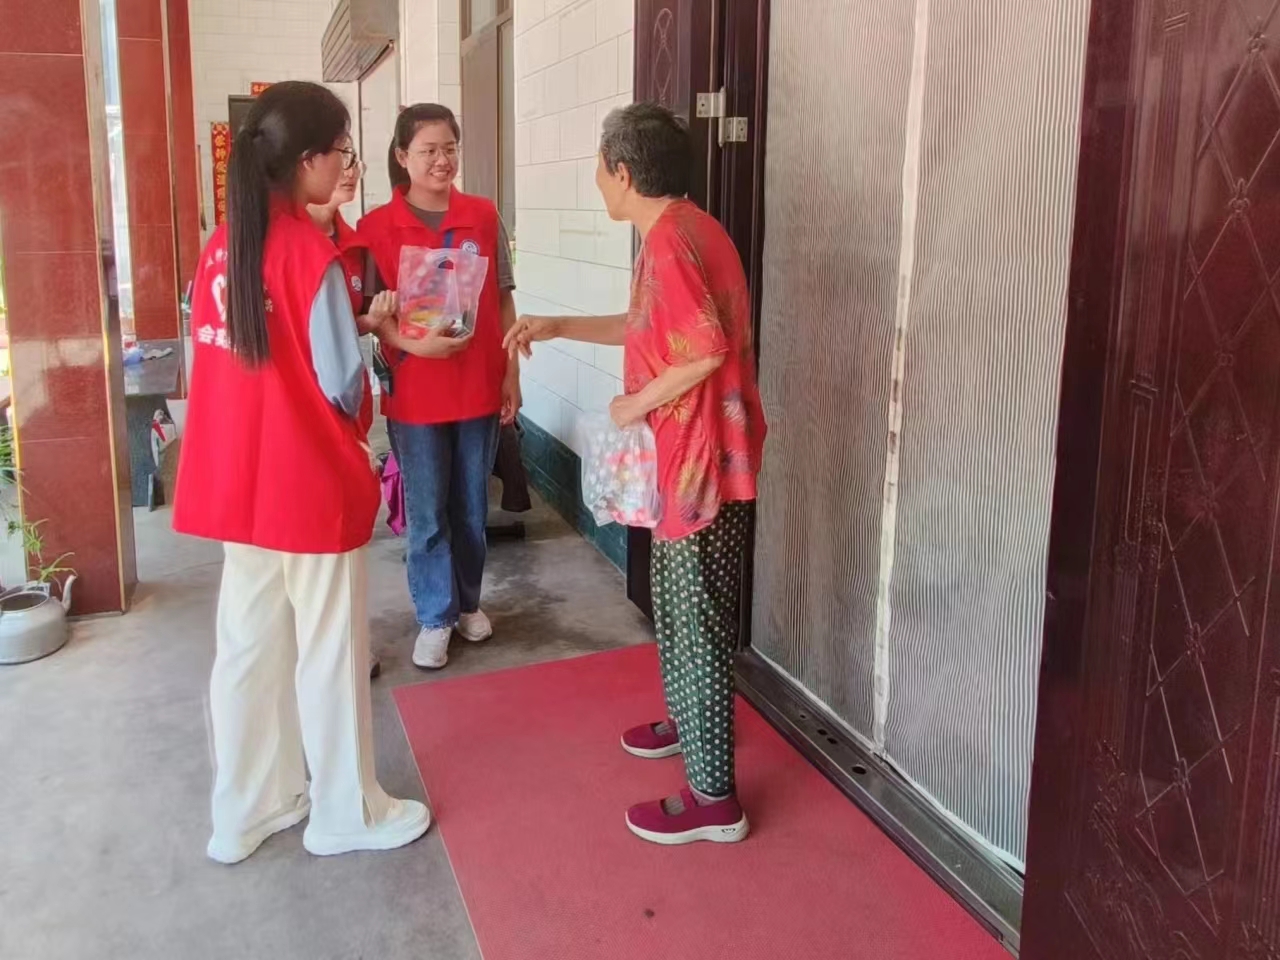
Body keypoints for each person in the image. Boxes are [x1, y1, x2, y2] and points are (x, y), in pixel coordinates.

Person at [173, 81, 430, 863]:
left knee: (247, 648)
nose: (345, 166)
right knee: (329, 649)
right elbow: (341, 384)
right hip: (307, 480)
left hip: (237, 482)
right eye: (343, 152)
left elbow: (217, 364)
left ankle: (246, 809)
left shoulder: (222, 247)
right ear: (310, 159)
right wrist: (370, 345)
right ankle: (345, 810)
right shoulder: (308, 254)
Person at [505, 103, 767, 846]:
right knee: (681, 606)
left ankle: (715, 800)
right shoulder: (682, 229)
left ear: (622, 173)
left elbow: (705, 350)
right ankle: (689, 719)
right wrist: (559, 325)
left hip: (699, 466)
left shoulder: (672, 240)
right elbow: (654, 327)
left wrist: (632, 405)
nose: (596, 178)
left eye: (598, 166)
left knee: (697, 617)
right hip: (695, 459)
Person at [347, 103, 521, 671]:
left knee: (471, 506)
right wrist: (406, 339)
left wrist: (511, 373)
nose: (441, 160)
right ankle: (434, 615)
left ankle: (467, 603)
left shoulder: (483, 215)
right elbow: (371, 316)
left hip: (478, 384)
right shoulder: (375, 229)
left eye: (449, 148)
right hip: (416, 389)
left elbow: (503, 299)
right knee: (426, 512)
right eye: (428, 150)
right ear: (402, 156)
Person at [305, 144, 388, 680]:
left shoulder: (357, 247)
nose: (349, 170)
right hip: (308, 412)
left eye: (353, 159)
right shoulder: (289, 248)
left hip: (348, 410)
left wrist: (371, 323)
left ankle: (350, 640)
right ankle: (330, 652)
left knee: (344, 542)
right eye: (339, 157)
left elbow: (362, 319)